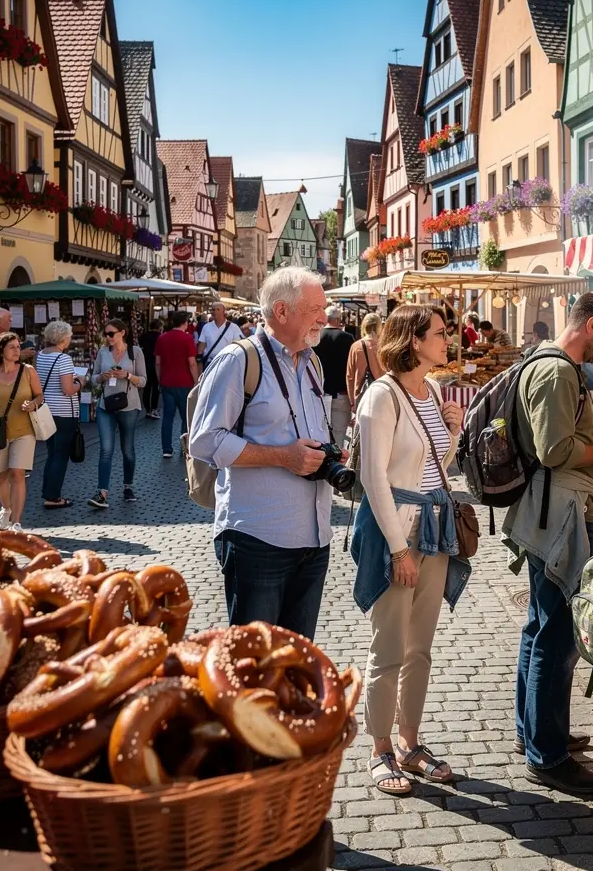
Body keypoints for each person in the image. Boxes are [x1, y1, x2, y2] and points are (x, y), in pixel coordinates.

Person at [506, 290, 593, 796]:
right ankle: (547, 755)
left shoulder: (556, 368)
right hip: (559, 516)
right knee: (559, 637)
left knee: (541, 629)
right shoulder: (558, 371)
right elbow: (555, 449)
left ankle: (537, 734)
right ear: (589, 324)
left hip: (557, 510)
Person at [352, 305, 466, 795]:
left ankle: (410, 742)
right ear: (414, 341)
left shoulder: (433, 391)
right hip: (396, 531)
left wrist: (454, 428)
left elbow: (435, 467)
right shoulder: (382, 397)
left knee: (420, 647)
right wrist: (399, 550)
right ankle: (379, 750)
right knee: (389, 649)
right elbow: (373, 477)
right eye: (440, 334)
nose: (449, 340)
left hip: (434, 529)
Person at [188, 268, 335, 638]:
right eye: (315, 308)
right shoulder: (238, 360)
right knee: (255, 664)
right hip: (258, 538)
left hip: (314, 538)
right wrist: (283, 457)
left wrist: (327, 454)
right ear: (282, 312)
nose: (324, 318)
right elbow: (204, 441)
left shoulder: (312, 361)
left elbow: (303, 432)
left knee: (296, 663)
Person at [0, 332, 44, 531]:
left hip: (24, 429)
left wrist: (33, 404)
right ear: (0, 350)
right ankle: (5, 508)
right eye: (12, 347)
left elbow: (40, 395)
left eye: (18, 347)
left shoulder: (28, 371)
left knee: (17, 474)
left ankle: (16, 521)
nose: (17, 350)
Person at [88, 319, 147, 509]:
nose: (108, 337)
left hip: (129, 406)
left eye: (111, 333)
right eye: (106, 334)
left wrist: (128, 376)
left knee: (127, 450)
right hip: (106, 406)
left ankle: (128, 486)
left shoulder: (135, 352)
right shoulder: (103, 352)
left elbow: (144, 381)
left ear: (122, 332)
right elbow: (93, 379)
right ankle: (102, 493)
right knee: (106, 449)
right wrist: (102, 377)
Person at [35, 320, 86, 509]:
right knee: (61, 455)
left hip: (47, 410)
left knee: (51, 452)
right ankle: (53, 496)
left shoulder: (40, 356)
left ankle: (47, 491)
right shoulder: (63, 358)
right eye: (69, 336)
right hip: (63, 413)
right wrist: (81, 382)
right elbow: (67, 389)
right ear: (63, 338)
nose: (70, 339)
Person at [155, 310, 199, 458]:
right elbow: (192, 363)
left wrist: (160, 379)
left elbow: (158, 362)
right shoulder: (187, 339)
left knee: (167, 416)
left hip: (167, 382)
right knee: (186, 417)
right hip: (184, 382)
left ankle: (166, 449)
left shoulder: (162, 338)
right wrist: (196, 381)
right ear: (185, 323)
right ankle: (184, 446)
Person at [314, 305, 354, 447]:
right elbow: (351, 368)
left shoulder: (316, 337)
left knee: (319, 431)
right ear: (338, 320)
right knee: (339, 433)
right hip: (341, 393)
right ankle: (335, 463)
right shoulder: (348, 338)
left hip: (318, 392)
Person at [347, 312, 383, 411]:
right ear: (379, 326)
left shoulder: (356, 346)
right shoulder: (384, 346)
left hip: (361, 395)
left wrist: (352, 402)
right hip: (383, 394)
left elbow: (350, 376)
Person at [197, 302, 242, 369]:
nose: (214, 311)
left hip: (227, 363)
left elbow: (239, 346)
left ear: (224, 312)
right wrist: (199, 363)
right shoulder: (206, 327)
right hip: (210, 363)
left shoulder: (233, 327)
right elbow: (201, 346)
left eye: (218, 309)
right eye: (213, 309)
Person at [139, 319, 162, 418]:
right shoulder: (160, 337)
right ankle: (154, 409)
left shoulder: (144, 336)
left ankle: (147, 409)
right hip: (156, 364)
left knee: (147, 388)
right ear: (159, 327)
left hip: (145, 363)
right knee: (156, 388)